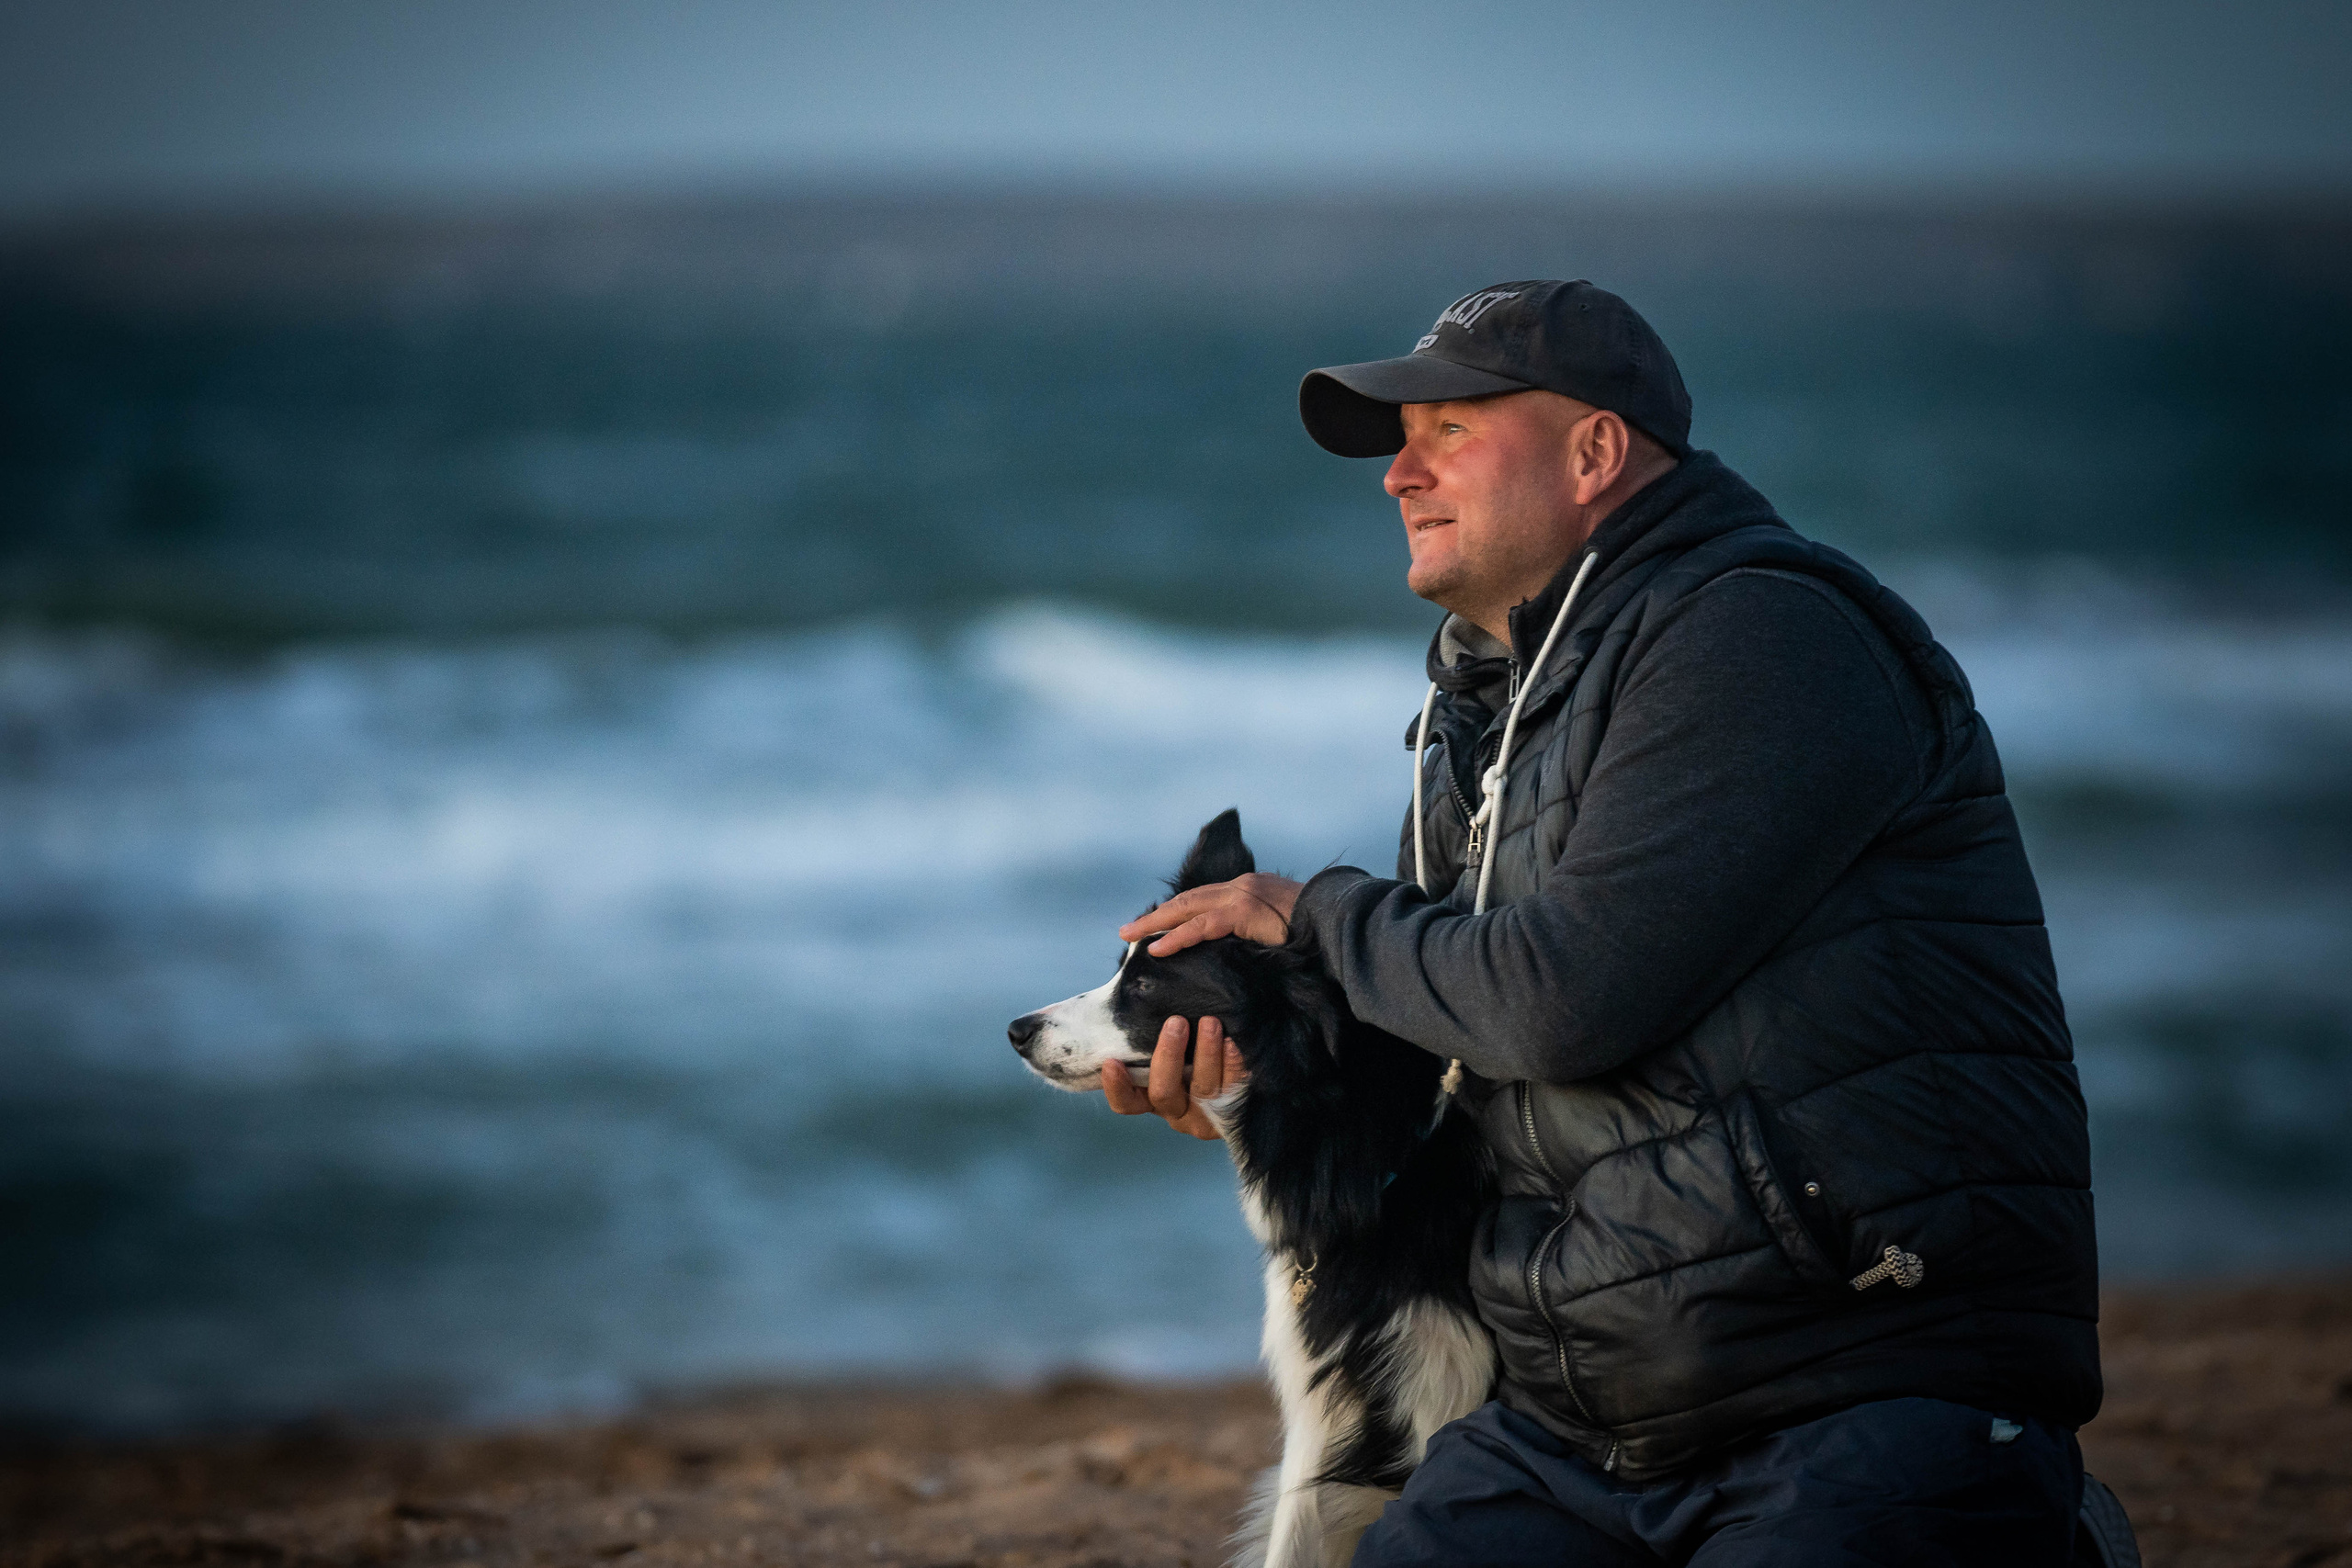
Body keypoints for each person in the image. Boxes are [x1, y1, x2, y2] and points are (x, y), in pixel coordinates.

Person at [1102, 280, 2102, 1564]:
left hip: (1850, 1386)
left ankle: (2038, 1530)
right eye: (1399, 444)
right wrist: (1254, 1086)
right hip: (1581, 1428)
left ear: (1596, 452)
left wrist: (1316, 912)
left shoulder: (1763, 635)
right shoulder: (1488, 712)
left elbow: (1560, 1001)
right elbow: (1452, 1057)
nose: (1399, 475)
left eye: (1449, 430)